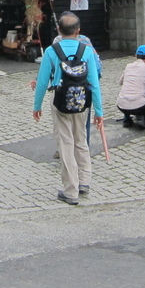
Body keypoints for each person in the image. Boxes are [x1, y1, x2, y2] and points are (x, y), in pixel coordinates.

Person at [33, 11, 103, 205]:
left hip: (59, 100)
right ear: (78, 31)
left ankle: (70, 190)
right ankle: (85, 182)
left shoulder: (51, 51)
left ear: (58, 30)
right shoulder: (86, 50)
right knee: (81, 139)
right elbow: (94, 83)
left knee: (65, 143)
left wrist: (36, 106)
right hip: (82, 99)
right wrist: (99, 111)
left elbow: (41, 81)